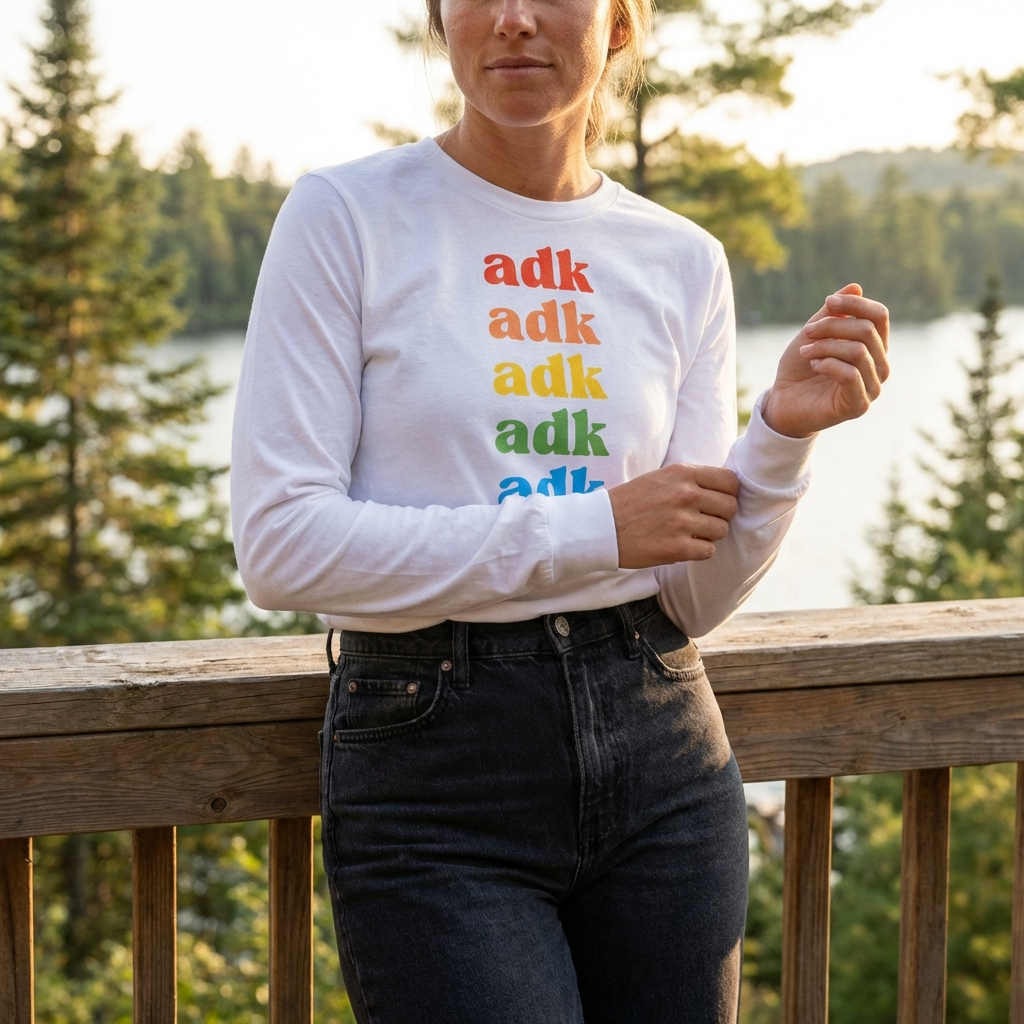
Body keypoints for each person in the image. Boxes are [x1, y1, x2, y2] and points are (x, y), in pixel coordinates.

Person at [230, 0, 890, 1020]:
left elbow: (693, 593)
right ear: (440, 19)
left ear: (619, 25)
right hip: (435, 768)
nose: (515, 20)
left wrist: (779, 437)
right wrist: (590, 529)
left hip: (662, 738)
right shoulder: (347, 216)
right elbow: (281, 546)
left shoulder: (678, 257)